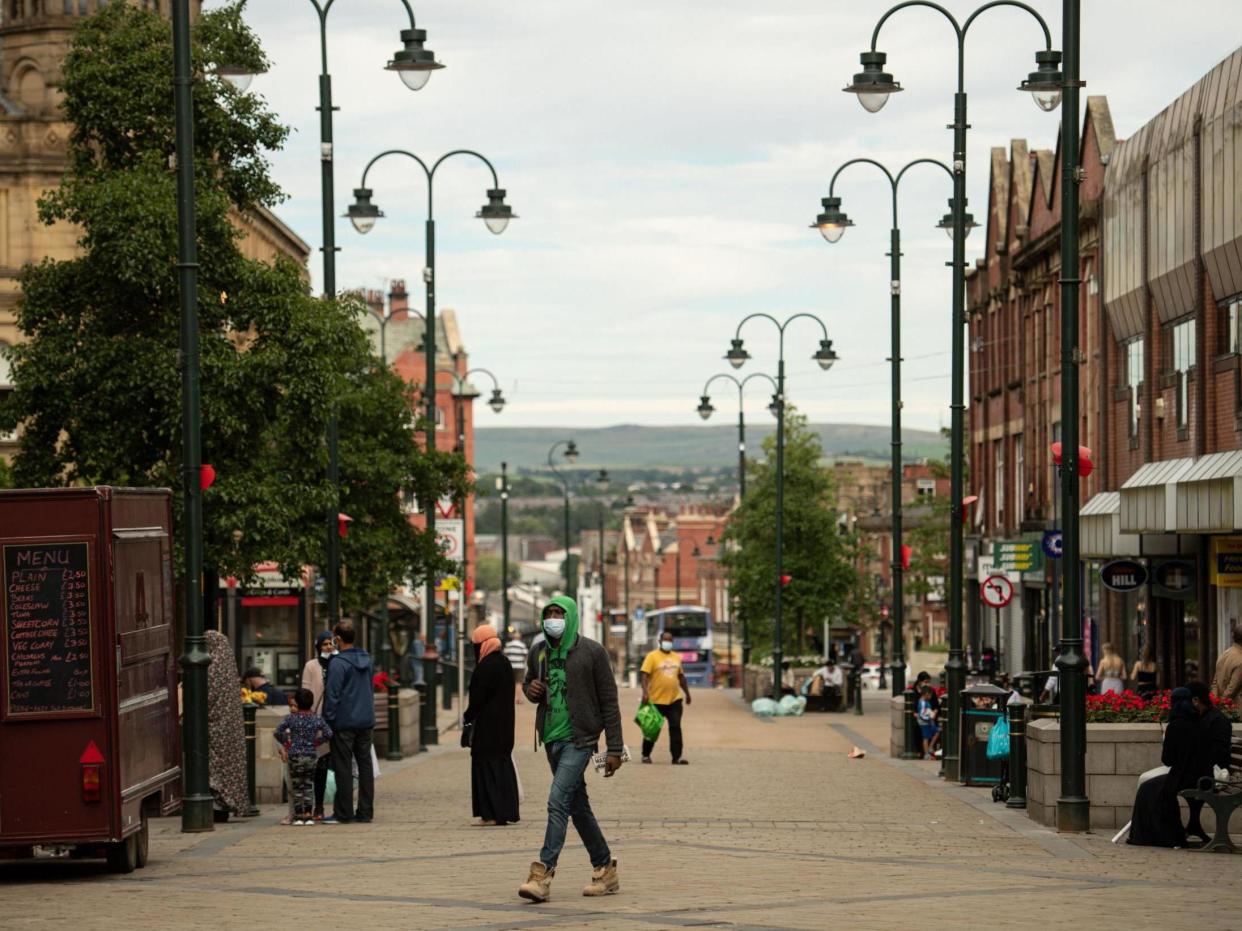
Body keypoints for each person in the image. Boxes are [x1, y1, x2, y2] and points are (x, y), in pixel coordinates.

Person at [518, 596, 623, 903]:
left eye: (558, 613)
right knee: (577, 806)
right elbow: (528, 684)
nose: (553, 619)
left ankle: (542, 875)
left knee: (557, 800)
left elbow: (609, 702)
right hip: (551, 740)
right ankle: (605, 868)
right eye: (548, 613)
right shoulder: (538, 652)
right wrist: (531, 691)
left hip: (581, 740)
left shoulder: (592, 652)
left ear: (571, 617)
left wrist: (614, 748)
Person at [1127, 687, 1199, 847]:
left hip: (1183, 775)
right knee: (1152, 787)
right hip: (1197, 773)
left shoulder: (1175, 725)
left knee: (1148, 788)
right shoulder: (1197, 721)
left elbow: (1167, 759)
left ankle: (1159, 836)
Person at [464, 624, 520, 826]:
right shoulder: (504, 662)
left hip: (487, 728)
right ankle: (506, 811)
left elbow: (478, 699)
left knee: (485, 767)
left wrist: (467, 717)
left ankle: (490, 813)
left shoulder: (486, 666)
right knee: (501, 767)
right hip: (505, 726)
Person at [323, 621, 376, 825]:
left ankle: (344, 812)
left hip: (344, 721)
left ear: (337, 638)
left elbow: (333, 695)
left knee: (343, 767)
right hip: (365, 720)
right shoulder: (366, 659)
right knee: (365, 766)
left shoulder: (338, 663)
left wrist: (328, 721)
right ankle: (365, 811)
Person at [205, 629, 249, 821]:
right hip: (232, 727)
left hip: (216, 727)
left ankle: (218, 802)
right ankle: (229, 802)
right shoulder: (229, 666)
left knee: (215, 765)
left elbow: (207, 695)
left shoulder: (212, 668)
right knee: (230, 764)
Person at [273, 687, 332, 825]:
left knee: (297, 785)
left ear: (297, 703)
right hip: (311, 754)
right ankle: (308, 815)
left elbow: (277, 732)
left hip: (294, 754)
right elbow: (329, 733)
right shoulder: (316, 718)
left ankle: (299, 815)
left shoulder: (290, 718)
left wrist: (287, 744)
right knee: (308, 784)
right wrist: (316, 742)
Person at [1185, 680, 1233, 844]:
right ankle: (1191, 826)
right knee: (1154, 785)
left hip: (1211, 776)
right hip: (1202, 772)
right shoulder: (1202, 717)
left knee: (1159, 785)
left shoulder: (1217, 720)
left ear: (1196, 700)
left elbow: (1217, 755)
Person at [639, 632, 692, 764]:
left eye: (670, 639)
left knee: (675, 727)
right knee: (652, 728)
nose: (668, 642)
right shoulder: (652, 657)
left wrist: (687, 694)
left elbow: (681, 677)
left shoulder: (676, 657)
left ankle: (676, 757)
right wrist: (645, 693)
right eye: (665, 639)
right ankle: (646, 754)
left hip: (674, 699)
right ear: (660, 641)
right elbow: (644, 676)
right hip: (656, 700)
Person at [299, 630, 336, 821]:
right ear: (318, 647)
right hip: (317, 721)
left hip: (335, 721)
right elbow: (306, 691)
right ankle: (316, 806)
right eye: (325, 644)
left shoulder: (338, 664)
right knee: (318, 766)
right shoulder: (311, 666)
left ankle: (334, 806)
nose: (328, 647)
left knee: (333, 765)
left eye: (331, 644)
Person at [1211, 623, 1242, 705]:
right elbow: (1232, 689)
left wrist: (1215, 701)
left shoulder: (1224, 654)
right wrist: (1221, 704)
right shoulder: (1240, 660)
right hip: (1235, 709)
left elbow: (1215, 683)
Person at [504, 628, 530, 705]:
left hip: (510, 666)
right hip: (520, 666)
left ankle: (510, 698)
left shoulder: (508, 645)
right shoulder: (522, 645)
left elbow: (505, 655)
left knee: (510, 683)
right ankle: (518, 699)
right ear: (520, 638)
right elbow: (526, 655)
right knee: (519, 683)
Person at [917, 685, 940, 759]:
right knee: (926, 737)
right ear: (927, 694)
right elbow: (922, 714)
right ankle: (926, 754)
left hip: (929, 722)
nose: (931, 697)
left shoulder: (925, 701)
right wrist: (930, 716)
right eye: (930, 695)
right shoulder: (923, 702)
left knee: (937, 731)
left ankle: (930, 747)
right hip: (925, 723)